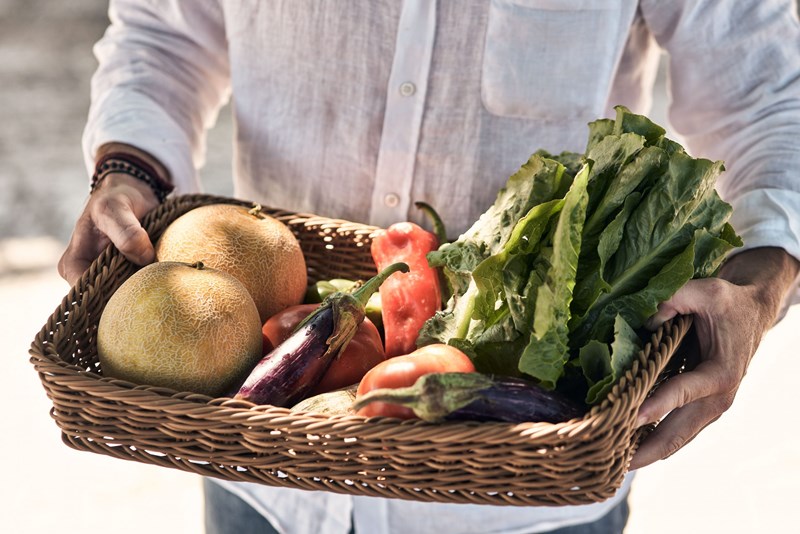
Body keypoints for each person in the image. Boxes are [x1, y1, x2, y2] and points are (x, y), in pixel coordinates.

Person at [59, 1, 800, 533]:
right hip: (264, 471)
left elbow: (768, 95)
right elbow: (163, 34)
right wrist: (129, 167)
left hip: (528, 499)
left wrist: (764, 282)